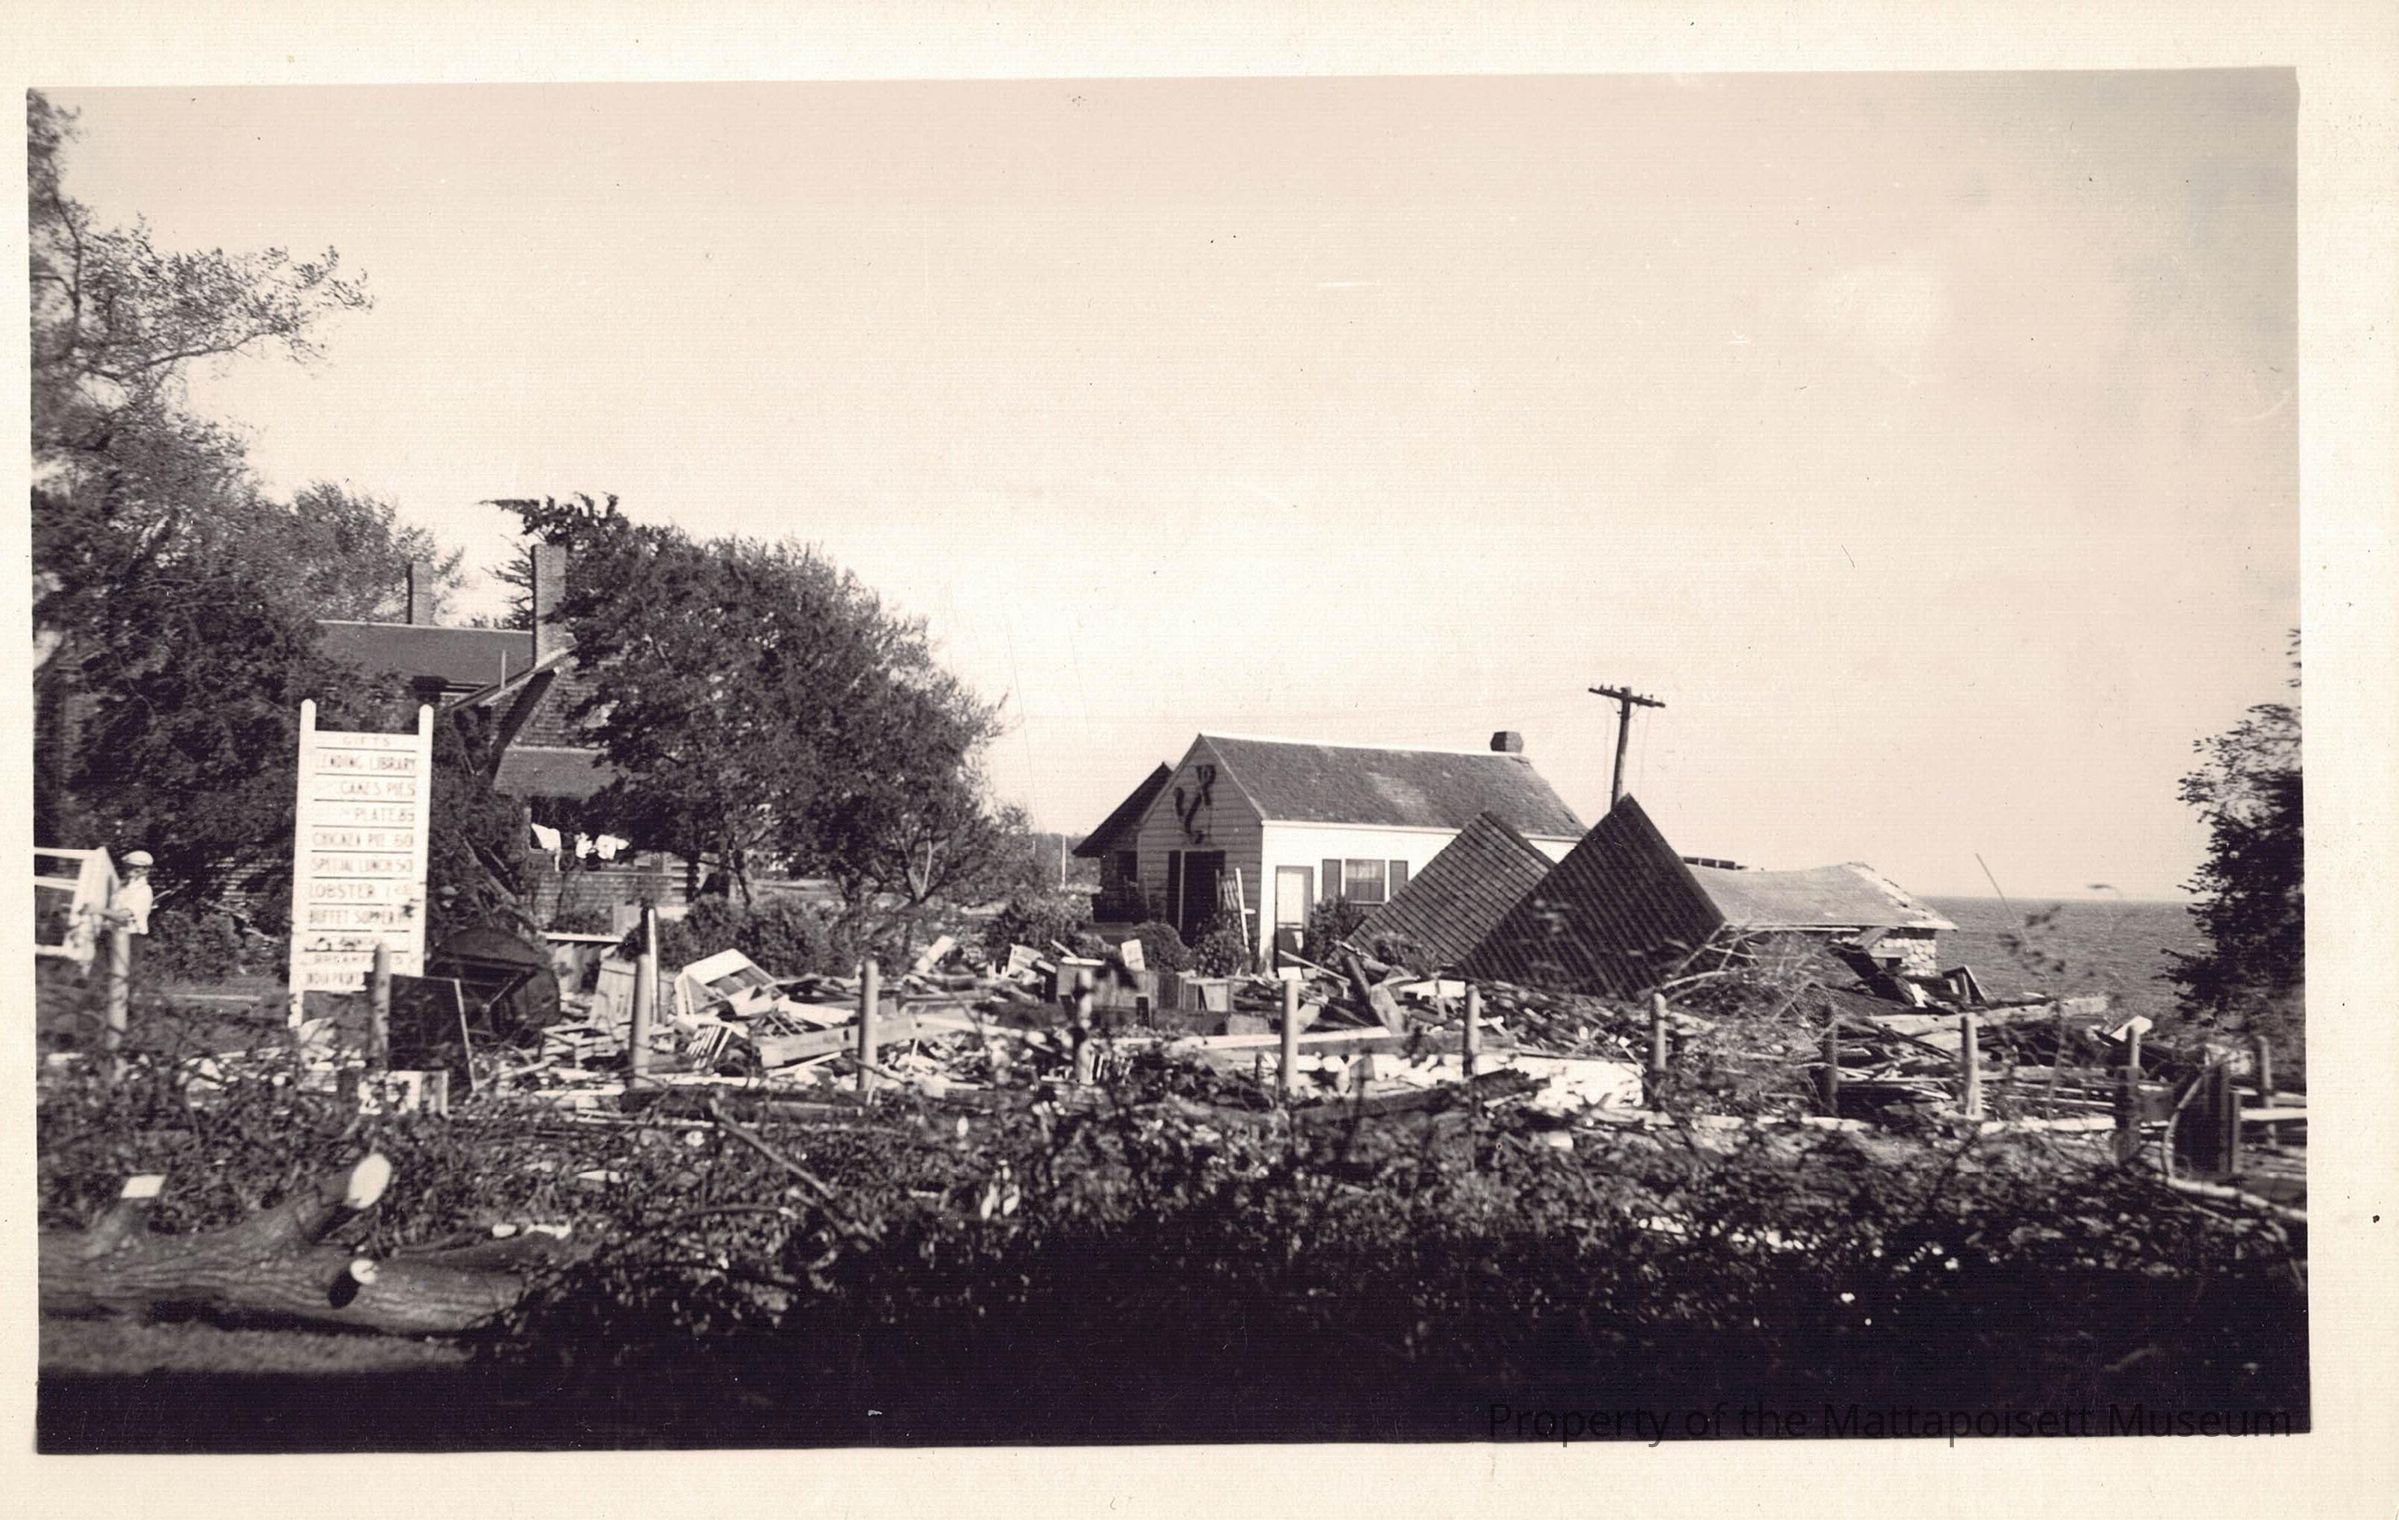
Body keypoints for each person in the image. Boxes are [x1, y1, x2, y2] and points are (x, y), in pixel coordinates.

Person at [108, 849, 155, 937]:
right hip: (115, 934)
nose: (131, 869)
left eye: (137, 866)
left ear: (146, 870)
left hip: (132, 936)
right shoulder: (122, 887)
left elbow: (122, 916)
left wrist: (96, 910)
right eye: (129, 865)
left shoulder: (144, 890)